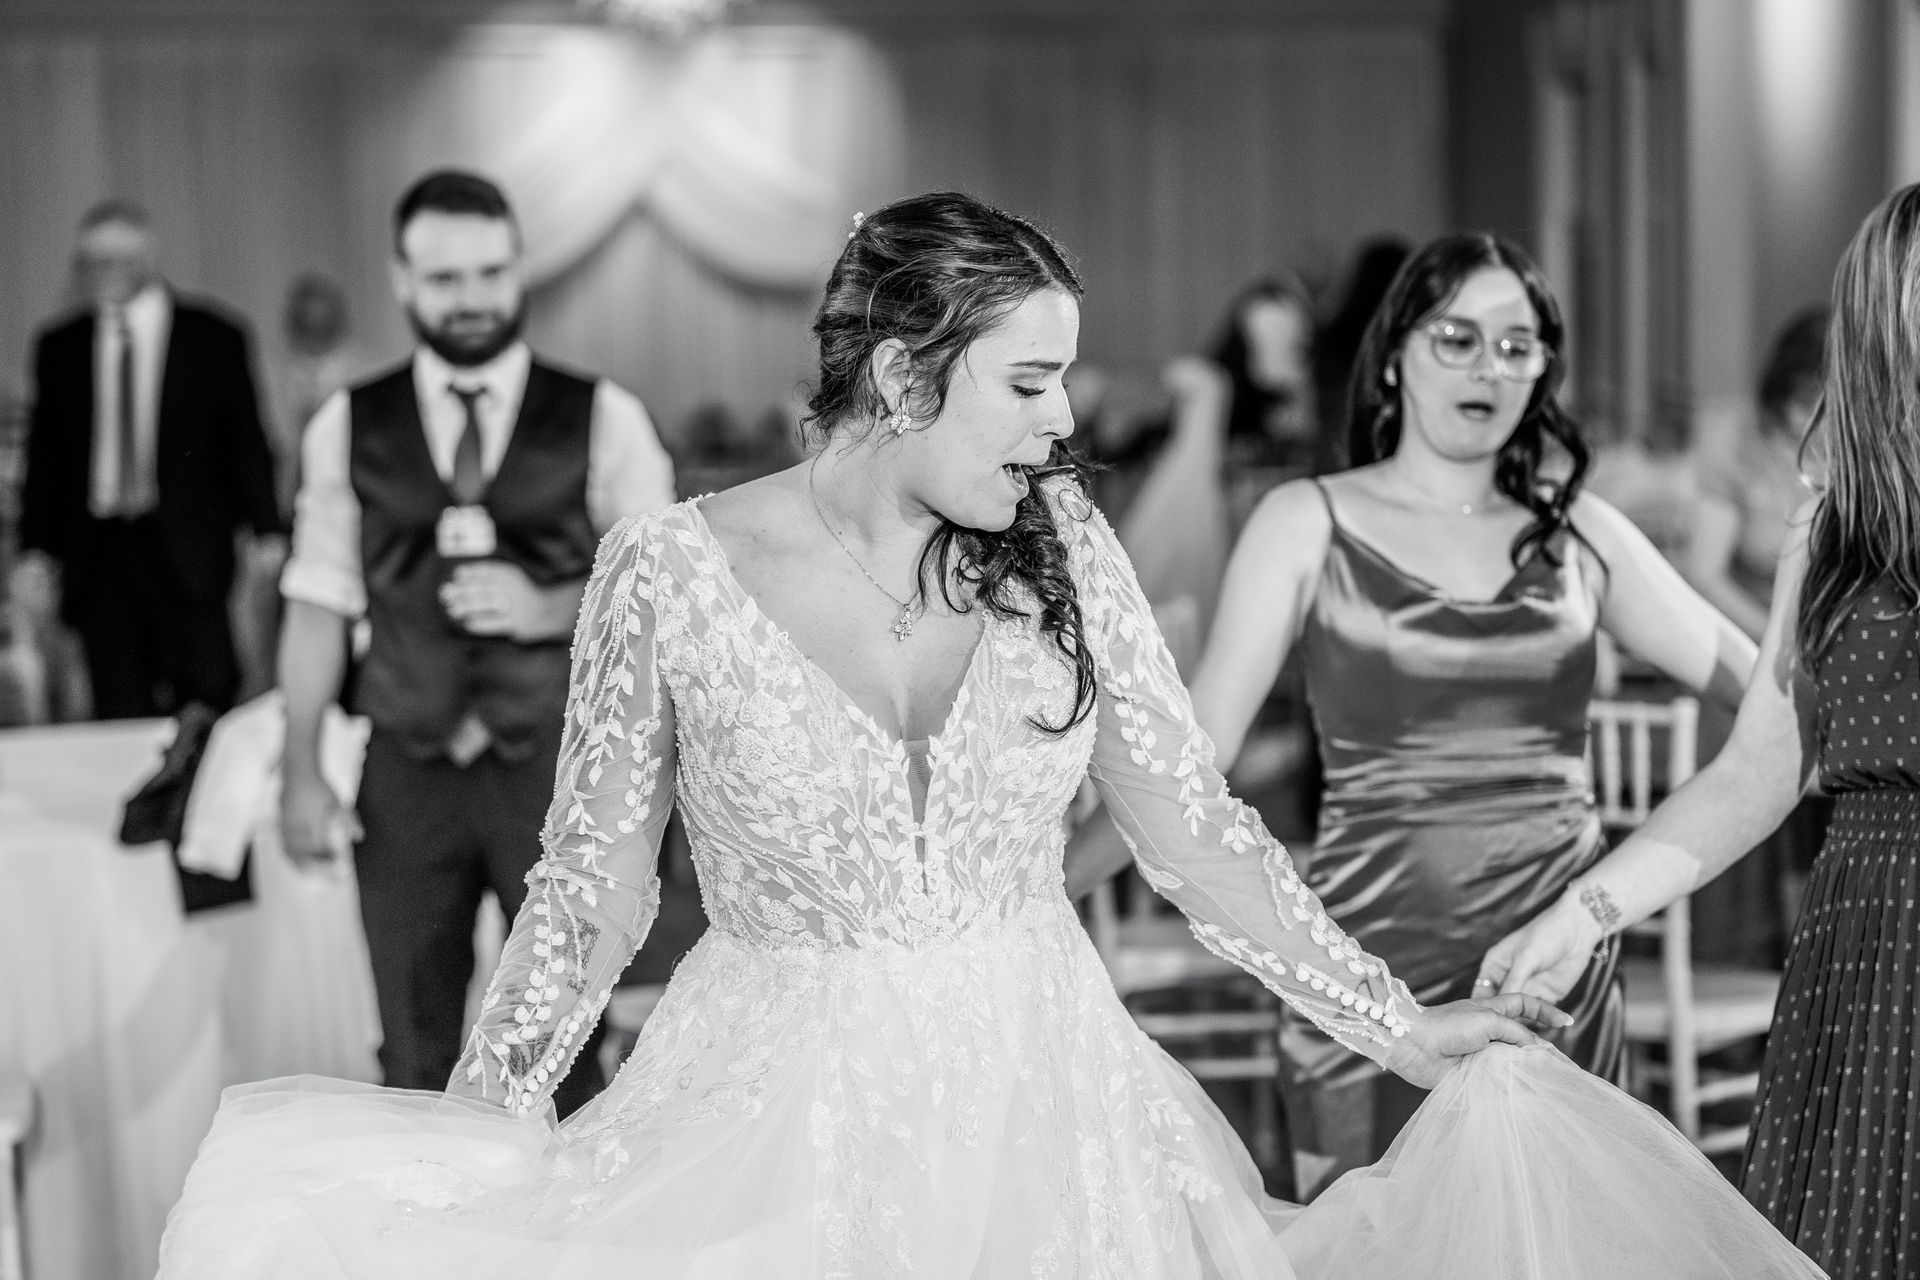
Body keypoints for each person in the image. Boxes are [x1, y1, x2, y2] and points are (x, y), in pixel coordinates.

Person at [158, 194, 1817, 1279]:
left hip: (1055, 1097)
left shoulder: (1066, 547)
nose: (1066, 422)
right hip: (769, 1112)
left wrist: (1398, 1029)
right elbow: (588, 897)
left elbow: (1193, 836)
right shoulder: (671, 569)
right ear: (901, 378)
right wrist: (483, 1123)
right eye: (1030, 384)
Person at [1066, 232, 1756, 1195]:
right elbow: (1196, 749)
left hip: (1547, 961)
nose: (1489, 367)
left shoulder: (1582, 535)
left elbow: (1763, 697)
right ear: (1395, 354)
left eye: (1517, 346)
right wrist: (1052, 875)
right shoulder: (1308, 520)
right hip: (1366, 959)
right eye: (1457, 339)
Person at [1479, 181, 1920, 1280]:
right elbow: (1760, 772)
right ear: (1887, 326)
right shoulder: (1835, 521)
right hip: (1872, 955)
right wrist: (1586, 911)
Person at [275, 169, 675, 1117]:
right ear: (403, 281)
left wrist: (549, 607)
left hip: (559, 769)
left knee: (565, 1046)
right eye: (446, 278)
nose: (472, 299)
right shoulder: (347, 424)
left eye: (490, 273)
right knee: (410, 1045)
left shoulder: (602, 414)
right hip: (406, 771)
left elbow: (670, 586)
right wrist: (297, 767)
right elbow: (318, 600)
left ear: (518, 270)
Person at [12, 199, 282, 723]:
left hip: (188, 546)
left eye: (116, 261)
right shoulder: (59, 347)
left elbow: (245, 440)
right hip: (100, 553)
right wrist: (34, 547)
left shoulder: (212, 336)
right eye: (90, 263)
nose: (101, 275)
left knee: (207, 695)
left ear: (147, 260)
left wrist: (267, 528)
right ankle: (141, 807)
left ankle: (199, 802)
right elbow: (46, 457)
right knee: (118, 703)